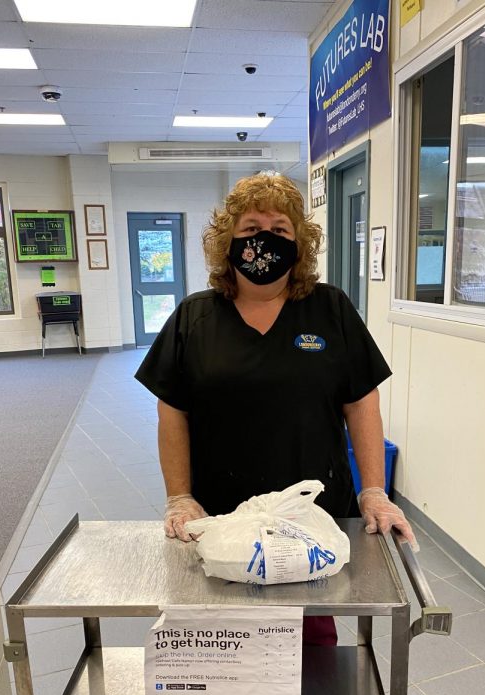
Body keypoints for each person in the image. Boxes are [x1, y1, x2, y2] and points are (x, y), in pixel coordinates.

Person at [135, 173, 416, 645]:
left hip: (312, 518)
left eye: (280, 230)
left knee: (312, 650)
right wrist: (179, 496)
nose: (264, 241)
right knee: (223, 644)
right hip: (222, 516)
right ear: (227, 242)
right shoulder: (194, 317)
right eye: (249, 230)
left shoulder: (331, 310)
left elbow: (362, 400)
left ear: (299, 243)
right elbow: (172, 412)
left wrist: (374, 490)